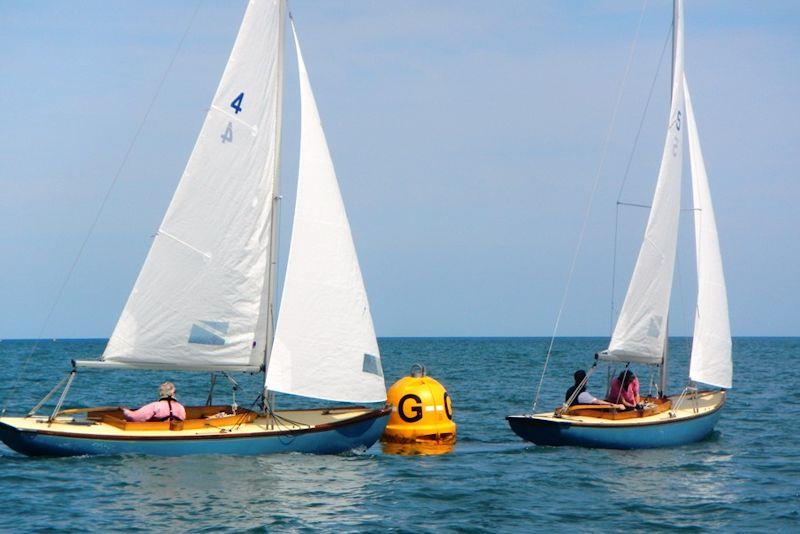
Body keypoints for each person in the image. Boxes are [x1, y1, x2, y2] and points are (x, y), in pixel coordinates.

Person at [122, 381, 187, 422]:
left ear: (160, 393)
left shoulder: (155, 406)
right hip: (174, 433)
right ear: (174, 393)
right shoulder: (180, 407)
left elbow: (134, 417)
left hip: (159, 432)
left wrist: (125, 410)